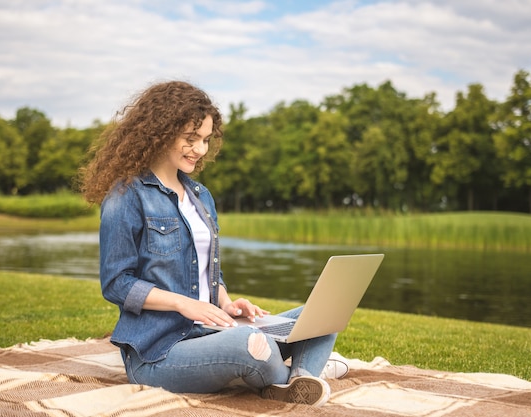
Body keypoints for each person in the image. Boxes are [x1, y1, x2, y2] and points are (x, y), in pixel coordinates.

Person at [79, 80, 348, 407]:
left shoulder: (201, 196)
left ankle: (300, 378)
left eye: (205, 139)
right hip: (158, 353)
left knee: (321, 314)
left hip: (212, 331)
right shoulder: (126, 196)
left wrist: (227, 303)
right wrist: (183, 303)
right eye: (190, 139)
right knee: (247, 341)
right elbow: (116, 283)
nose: (201, 149)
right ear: (160, 132)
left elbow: (206, 272)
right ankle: (299, 371)